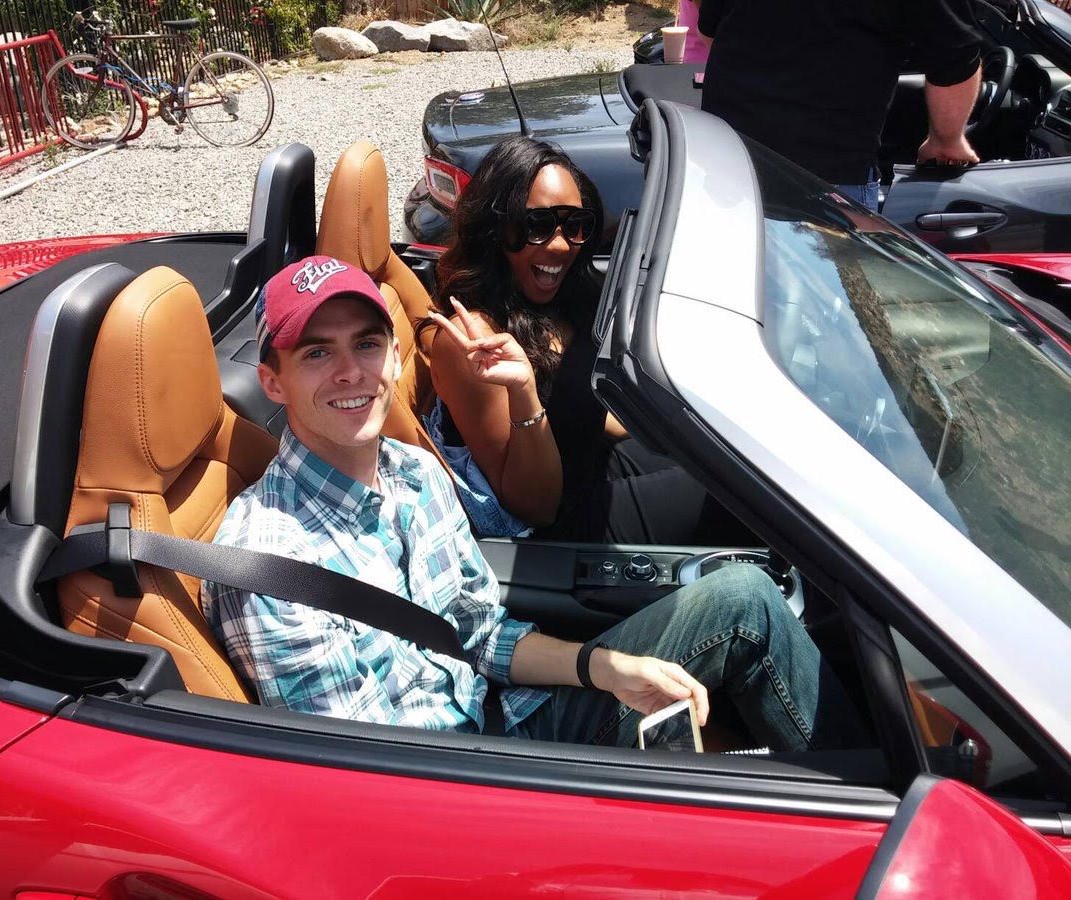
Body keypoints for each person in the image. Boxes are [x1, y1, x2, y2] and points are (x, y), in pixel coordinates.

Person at [202, 254, 864, 753]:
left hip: (507, 717)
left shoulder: (412, 473)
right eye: (317, 352)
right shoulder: (272, 565)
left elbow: (478, 632)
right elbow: (370, 776)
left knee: (743, 598)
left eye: (366, 344)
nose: (351, 372)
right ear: (273, 382)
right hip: (474, 793)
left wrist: (603, 669)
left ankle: (878, 801)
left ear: (396, 358)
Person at [424, 136, 740, 545]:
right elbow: (534, 506)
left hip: (593, 462)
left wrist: (673, 433)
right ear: (495, 228)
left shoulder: (560, 298)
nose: (560, 245)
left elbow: (583, 409)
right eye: (537, 225)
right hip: (559, 528)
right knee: (733, 500)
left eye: (575, 225)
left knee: (731, 465)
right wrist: (523, 390)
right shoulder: (475, 341)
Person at [697, 0, 983, 207]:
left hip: (726, 159)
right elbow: (955, 60)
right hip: (827, 177)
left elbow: (711, 29)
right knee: (829, 276)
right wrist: (946, 140)